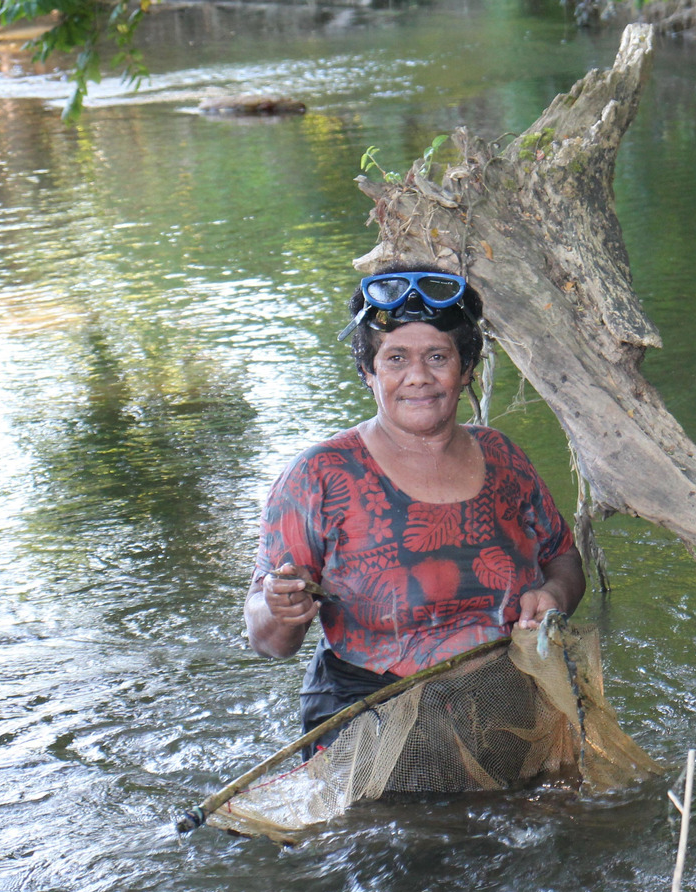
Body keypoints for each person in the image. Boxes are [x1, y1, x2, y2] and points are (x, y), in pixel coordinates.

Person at [244, 266, 585, 750]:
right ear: (368, 370)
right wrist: (281, 609)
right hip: (370, 720)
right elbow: (269, 641)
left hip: (506, 705)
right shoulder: (319, 475)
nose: (418, 377)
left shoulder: (505, 458)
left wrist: (554, 595)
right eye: (396, 358)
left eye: (438, 357)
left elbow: (565, 559)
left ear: (466, 368)